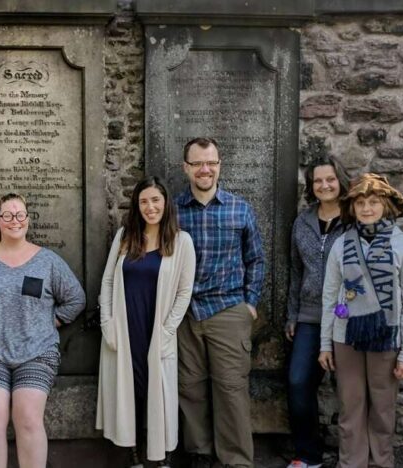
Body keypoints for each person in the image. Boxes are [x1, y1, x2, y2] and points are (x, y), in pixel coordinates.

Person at [0, 193, 86, 468]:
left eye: (20, 215)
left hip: (37, 353)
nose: (15, 220)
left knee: (29, 420)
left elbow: (75, 299)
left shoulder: (47, 261)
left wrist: (44, 322)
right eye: (8, 215)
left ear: (28, 220)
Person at [317, 173, 403, 468]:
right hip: (345, 336)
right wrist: (325, 344)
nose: (366, 208)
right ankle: (351, 462)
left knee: (383, 406)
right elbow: (329, 297)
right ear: (352, 207)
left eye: (373, 202)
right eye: (360, 203)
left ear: (385, 205)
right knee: (350, 404)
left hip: (386, 336)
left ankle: (380, 461)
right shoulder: (341, 245)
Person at [175, 137, 265, 468]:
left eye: (211, 162)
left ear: (219, 165)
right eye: (198, 163)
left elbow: (256, 259)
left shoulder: (240, 209)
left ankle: (236, 460)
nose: (205, 169)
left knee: (231, 390)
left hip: (228, 310)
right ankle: (199, 454)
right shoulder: (172, 210)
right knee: (190, 388)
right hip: (185, 314)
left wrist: (249, 304)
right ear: (186, 168)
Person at [96, 177, 196, 467]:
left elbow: (184, 292)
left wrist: (167, 330)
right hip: (125, 329)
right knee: (131, 394)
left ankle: (161, 459)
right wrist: (107, 323)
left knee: (159, 394)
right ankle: (135, 457)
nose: (150, 207)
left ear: (166, 203)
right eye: (143, 201)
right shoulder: (125, 236)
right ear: (136, 206)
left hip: (157, 330)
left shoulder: (181, 241)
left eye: (155, 200)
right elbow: (108, 281)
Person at [284, 156, 350, 468]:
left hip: (349, 316)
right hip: (310, 317)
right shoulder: (303, 222)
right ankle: (308, 455)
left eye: (330, 179)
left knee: (350, 389)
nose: (324, 185)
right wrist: (292, 314)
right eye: (318, 181)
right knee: (298, 382)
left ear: (340, 181)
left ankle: (355, 456)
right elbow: (295, 271)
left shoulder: (355, 217)